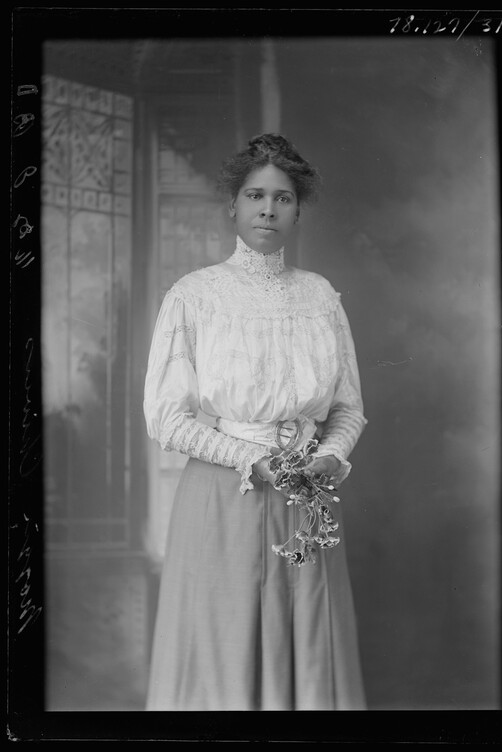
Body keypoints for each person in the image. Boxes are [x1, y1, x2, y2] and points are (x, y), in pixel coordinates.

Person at [143, 133, 368, 711]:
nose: (268, 210)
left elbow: (347, 407)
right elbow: (166, 419)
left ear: (298, 211)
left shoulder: (320, 297)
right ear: (233, 205)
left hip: (307, 498)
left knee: (307, 648)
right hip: (226, 497)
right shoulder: (195, 295)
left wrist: (330, 455)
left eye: (283, 198)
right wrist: (253, 458)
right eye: (255, 196)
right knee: (225, 653)